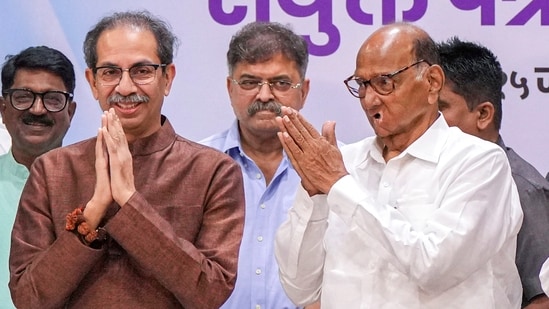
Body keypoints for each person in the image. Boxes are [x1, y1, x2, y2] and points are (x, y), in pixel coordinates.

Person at [274, 22, 523, 308]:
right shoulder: (344, 162)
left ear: (432, 82)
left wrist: (339, 186)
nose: (369, 100)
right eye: (362, 84)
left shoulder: (479, 163)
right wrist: (315, 196)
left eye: (385, 82)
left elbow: (433, 267)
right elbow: (300, 289)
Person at [9, 10, 245, 309]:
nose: (125, 88)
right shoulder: (52, 169)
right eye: (110, 72)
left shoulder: (214, 171)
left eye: (141, 70)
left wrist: (128, 200)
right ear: (92, 82)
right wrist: (93, 212)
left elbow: (210, 292)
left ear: (167, 78)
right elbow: (29, 298)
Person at [200, 21, 318, 309]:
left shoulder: (334, 169)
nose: (264, 96)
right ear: (230, 88)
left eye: (280, 83)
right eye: (250, 83)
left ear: (303, 91)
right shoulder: (197, 164)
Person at [437, 37, 549, 308]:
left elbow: (541, 298)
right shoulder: (421, 173)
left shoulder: (522, 188)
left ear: (484, 114)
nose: (428, 120)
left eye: (440, 108)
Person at [0, 45, 77, 309]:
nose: (37, 109)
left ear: (71, 111)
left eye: (53, 99)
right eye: (23, 97)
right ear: (2, 108)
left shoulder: (103, 189)